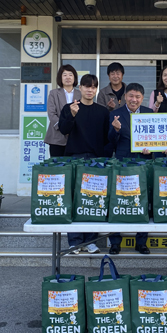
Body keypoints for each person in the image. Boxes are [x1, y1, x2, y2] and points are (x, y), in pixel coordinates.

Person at [58, 74, 110, 255]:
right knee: (74, 198)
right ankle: (74, 241)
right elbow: (63, 130)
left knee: (94, 199)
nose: (90, 90)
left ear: (96, 89)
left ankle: (91, 241)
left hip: (96, 159)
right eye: (87, 87)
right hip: (74, 157)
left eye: (93, 87)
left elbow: (106, 137)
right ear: (80, 88)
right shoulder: (69, 108)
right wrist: (71, 115)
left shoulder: (103, 111)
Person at [107, 83, 153, 255]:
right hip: (123, 162)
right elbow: (110, 141)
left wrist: (152, 148)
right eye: (131, 96)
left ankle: (141, 242)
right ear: (125, 96)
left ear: (142, 98)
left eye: (138, 96)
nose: (134, 100)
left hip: (144, 162)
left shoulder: (149, 113)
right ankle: (115, 242)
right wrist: (116, 130)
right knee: (119, 200)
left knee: (143, 200)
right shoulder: (114, 114)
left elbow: (156, 139)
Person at [45, 65, 81, 158]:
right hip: (57, 136)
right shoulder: (53, 93)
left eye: (70, 75)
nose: (68, 77)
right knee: (58, 168)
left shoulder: (80, 94)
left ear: (75, 78)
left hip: (76, 136)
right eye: (64, 75)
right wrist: (62, 127)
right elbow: (52, 114)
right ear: (60, 78)